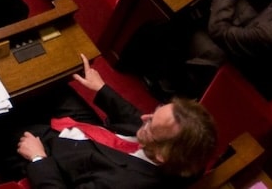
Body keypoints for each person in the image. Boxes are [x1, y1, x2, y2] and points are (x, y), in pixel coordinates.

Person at [14, 54, 217, 188]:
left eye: (150, 125)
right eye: (154, 112)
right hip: (94, 132)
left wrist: (39, 159)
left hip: (57, 153)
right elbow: (136, 118)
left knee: (7, 117)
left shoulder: (121, 183)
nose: (144, 118)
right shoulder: (186, 155)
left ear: (162, 155)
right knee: (49, 81)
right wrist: (101, 88)